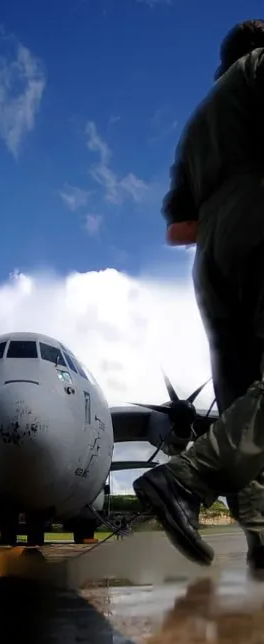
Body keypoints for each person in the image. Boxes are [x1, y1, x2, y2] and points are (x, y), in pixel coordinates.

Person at [133, 20, 264, 579]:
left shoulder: (197, 124)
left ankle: (261, 536)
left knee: (241, 399)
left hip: (211, 256)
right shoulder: (260, 70)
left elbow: (177, 228)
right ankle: (188, 480)